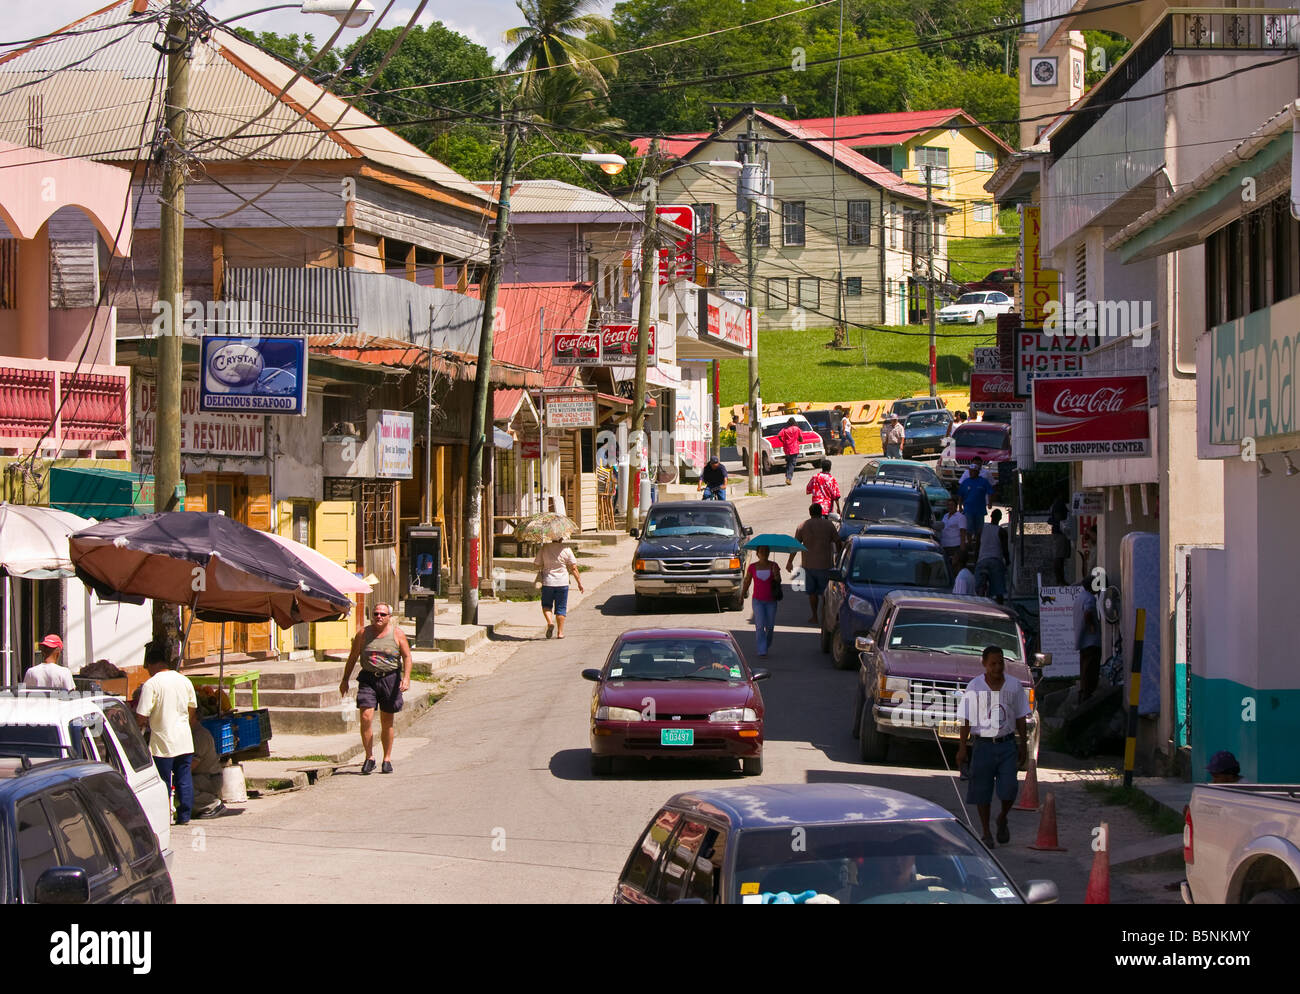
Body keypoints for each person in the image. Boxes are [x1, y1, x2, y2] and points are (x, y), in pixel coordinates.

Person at [955, 646, 1032, 848]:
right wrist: (962, 747)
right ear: (984, 664)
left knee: (1009, 789)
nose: (997, 667)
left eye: (1000, 663)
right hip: (983, 745)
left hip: (1007, 744)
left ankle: (1002, 817)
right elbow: (966, 718)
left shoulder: (1014, 686)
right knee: (982, 790)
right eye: (993, 664)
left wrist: (1023, 743)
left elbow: (1021, 717)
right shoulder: (975, 686)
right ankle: (986, 832)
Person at [339, 602, 413, 775]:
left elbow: (407, 656)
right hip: (368, 679)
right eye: (376, 614)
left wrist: (406, 678)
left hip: (390, 679)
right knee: (366, 716)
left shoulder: (397, 634)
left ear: (389, 617)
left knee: (387, 721)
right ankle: (369, 757)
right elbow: (352, 657)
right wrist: (345, 680)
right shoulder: (363, 634)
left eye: (382, 614)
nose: (378, 617)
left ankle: (386, 759)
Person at [135, 641, 198, 826]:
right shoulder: (183, 680)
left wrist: (140, 729)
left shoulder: (151, 684)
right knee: (184, 778)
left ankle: (164, 816)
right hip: (184, 740)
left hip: (162, 743)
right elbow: (192, 708)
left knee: (162, 782)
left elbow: (141, 715)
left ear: (152, 665)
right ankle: (184, 815)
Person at [788, 504, 841, 626]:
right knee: (825, 594)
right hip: (825, 566)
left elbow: (795, 546)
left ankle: (814, 616)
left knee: (812, 594)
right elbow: (838, 541)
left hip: (808, 565)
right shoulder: (828, 525)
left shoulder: (802, 526)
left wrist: (790, 561)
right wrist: (838, 556)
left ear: (810, 512)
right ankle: (824, 617)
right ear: (821, 512)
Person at [534, 539, 585, 638]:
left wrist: (545, 564)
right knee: (561, 608)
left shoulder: (544, 548)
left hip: (548, 582)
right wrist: (579, 583)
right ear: (561, 538)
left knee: (546, 605)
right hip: (562, 582)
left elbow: (536, 564)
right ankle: (560, 633)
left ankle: (550, 622)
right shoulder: (566, 549)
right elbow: (573, 568)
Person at [189, 716, 233, 819]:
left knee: (182, 786)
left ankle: (212, 803)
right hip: (203, 776)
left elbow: (191, 765)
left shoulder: (200, 736)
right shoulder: (193, 733)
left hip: (209, 778)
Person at [741, 546, 781, 657]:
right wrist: (742, 594)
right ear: (757, 553)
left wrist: (775, 574)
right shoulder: (753, 567)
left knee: (770, 626)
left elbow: (778, 581)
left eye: (766, 551)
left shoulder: (774, 565)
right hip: (757, 601)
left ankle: (766, 645)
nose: (764, 553)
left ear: (769, 553)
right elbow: (747, 581)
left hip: (771, 601)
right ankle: (762, 650)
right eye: (761, 551)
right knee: (759, 625)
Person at [1073, 579, 1103, 700]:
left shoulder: (1080, 597)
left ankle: (1083, 691)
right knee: (1091, 667)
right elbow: (1088, 613)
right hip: (1091, 641)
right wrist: (1091, 626)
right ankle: (1087, 693)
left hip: (1082, 640)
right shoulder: (1090, 598)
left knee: (1084, 667)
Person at [958, 457, 994, 551]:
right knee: (969, 527)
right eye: (970, 471)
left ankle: (978, 543)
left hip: (980, 509)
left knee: (979, 528)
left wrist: (990, 503)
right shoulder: (966, 482)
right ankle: (969, 543)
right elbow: (961, 494)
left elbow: (990, 492)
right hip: (968, 508)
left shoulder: (983, 481)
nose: (971, 473)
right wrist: (960, 506)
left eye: (973, 471)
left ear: (977, 471)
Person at [974, 508, 1010, 604]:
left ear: (991, 516)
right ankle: (1000, 607)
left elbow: (977, 547)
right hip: (995, 561)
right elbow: (1005, 549)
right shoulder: (1001, 531)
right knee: (999, 590)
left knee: (978, 586)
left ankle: (979, 601)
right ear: (1000, 518)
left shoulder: (982, 529)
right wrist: (1007, 561)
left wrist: (975, 561)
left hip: (982, 561)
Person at [938, 497, 966, 578]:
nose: (950, 507)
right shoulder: (945, 516)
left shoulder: (960, 517)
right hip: (944, 545)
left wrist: (962, 546)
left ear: (956, 506)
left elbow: (963, 531)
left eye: (952, 505)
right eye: (948, 505)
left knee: (954, 565)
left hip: (955, 545)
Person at [1049, 496, 1072, 585]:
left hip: (1059, 533)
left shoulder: (1056, 505)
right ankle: (1060, 580)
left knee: (1060, 558)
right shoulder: (1059, 505)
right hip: (1060, 533)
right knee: (1059, 558)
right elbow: (1058, 517)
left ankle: (1060, 580)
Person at [776, 417, 804, 486]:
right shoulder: (797, 429)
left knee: (788, 462)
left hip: (787, 448)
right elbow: (801, 438)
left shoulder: (785, 429)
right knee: (792, 464)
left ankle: (787, 474)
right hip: (794, 448)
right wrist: (799, 440)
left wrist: (783, 441)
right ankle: (788, 478)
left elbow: (779, 436)